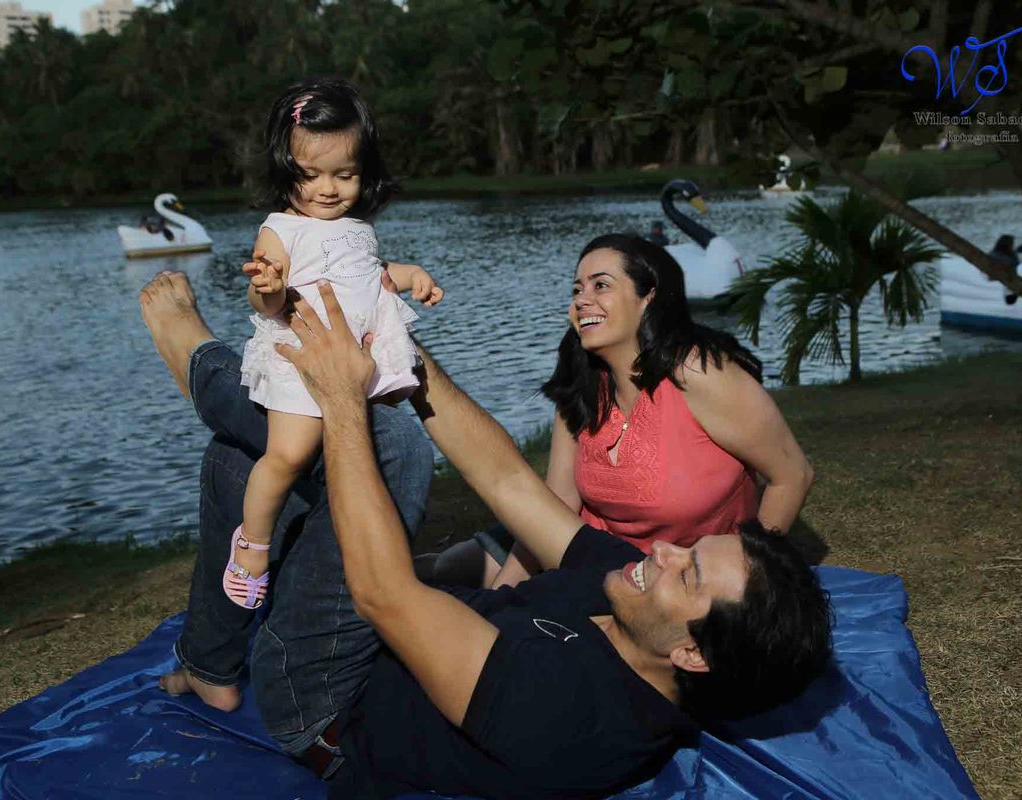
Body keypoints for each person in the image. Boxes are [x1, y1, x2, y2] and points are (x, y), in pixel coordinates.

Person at [140, 271, 832, 799]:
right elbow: (510, 483)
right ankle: (208, 659)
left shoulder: (572, 717)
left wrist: (345, 396)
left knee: (388, 447)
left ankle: (196, 355)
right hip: (390, 635)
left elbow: (385, 595)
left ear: (692, 655)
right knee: (247, 459)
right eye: (691, 547)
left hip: (326, 696)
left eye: (689, 573)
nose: (666, 550)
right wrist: (399, 353)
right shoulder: (638, 600)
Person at [434, 235, 814, 589]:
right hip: (593, 549)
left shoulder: (698, 375)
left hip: (674, 571)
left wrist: (751, 577)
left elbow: (793, 475)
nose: (582, 299)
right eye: (577, 289)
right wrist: (507, 593)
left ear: (647, 297)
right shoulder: (581, 384)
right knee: (449, 568)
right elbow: (558, 504)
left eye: (601, 285)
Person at [225, 79, 443, 609]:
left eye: (344, 174)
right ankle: (251, 544)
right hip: (304, 362)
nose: (328, 188)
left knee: (377, 441)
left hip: (357, 361)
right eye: (311, 175)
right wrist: (269, 290)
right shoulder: (280, 229)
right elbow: (266, 302)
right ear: (285, 171)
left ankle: (356, 545)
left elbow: (367, 273)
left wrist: (410, 273)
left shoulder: (356, 227)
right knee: (289, 453)